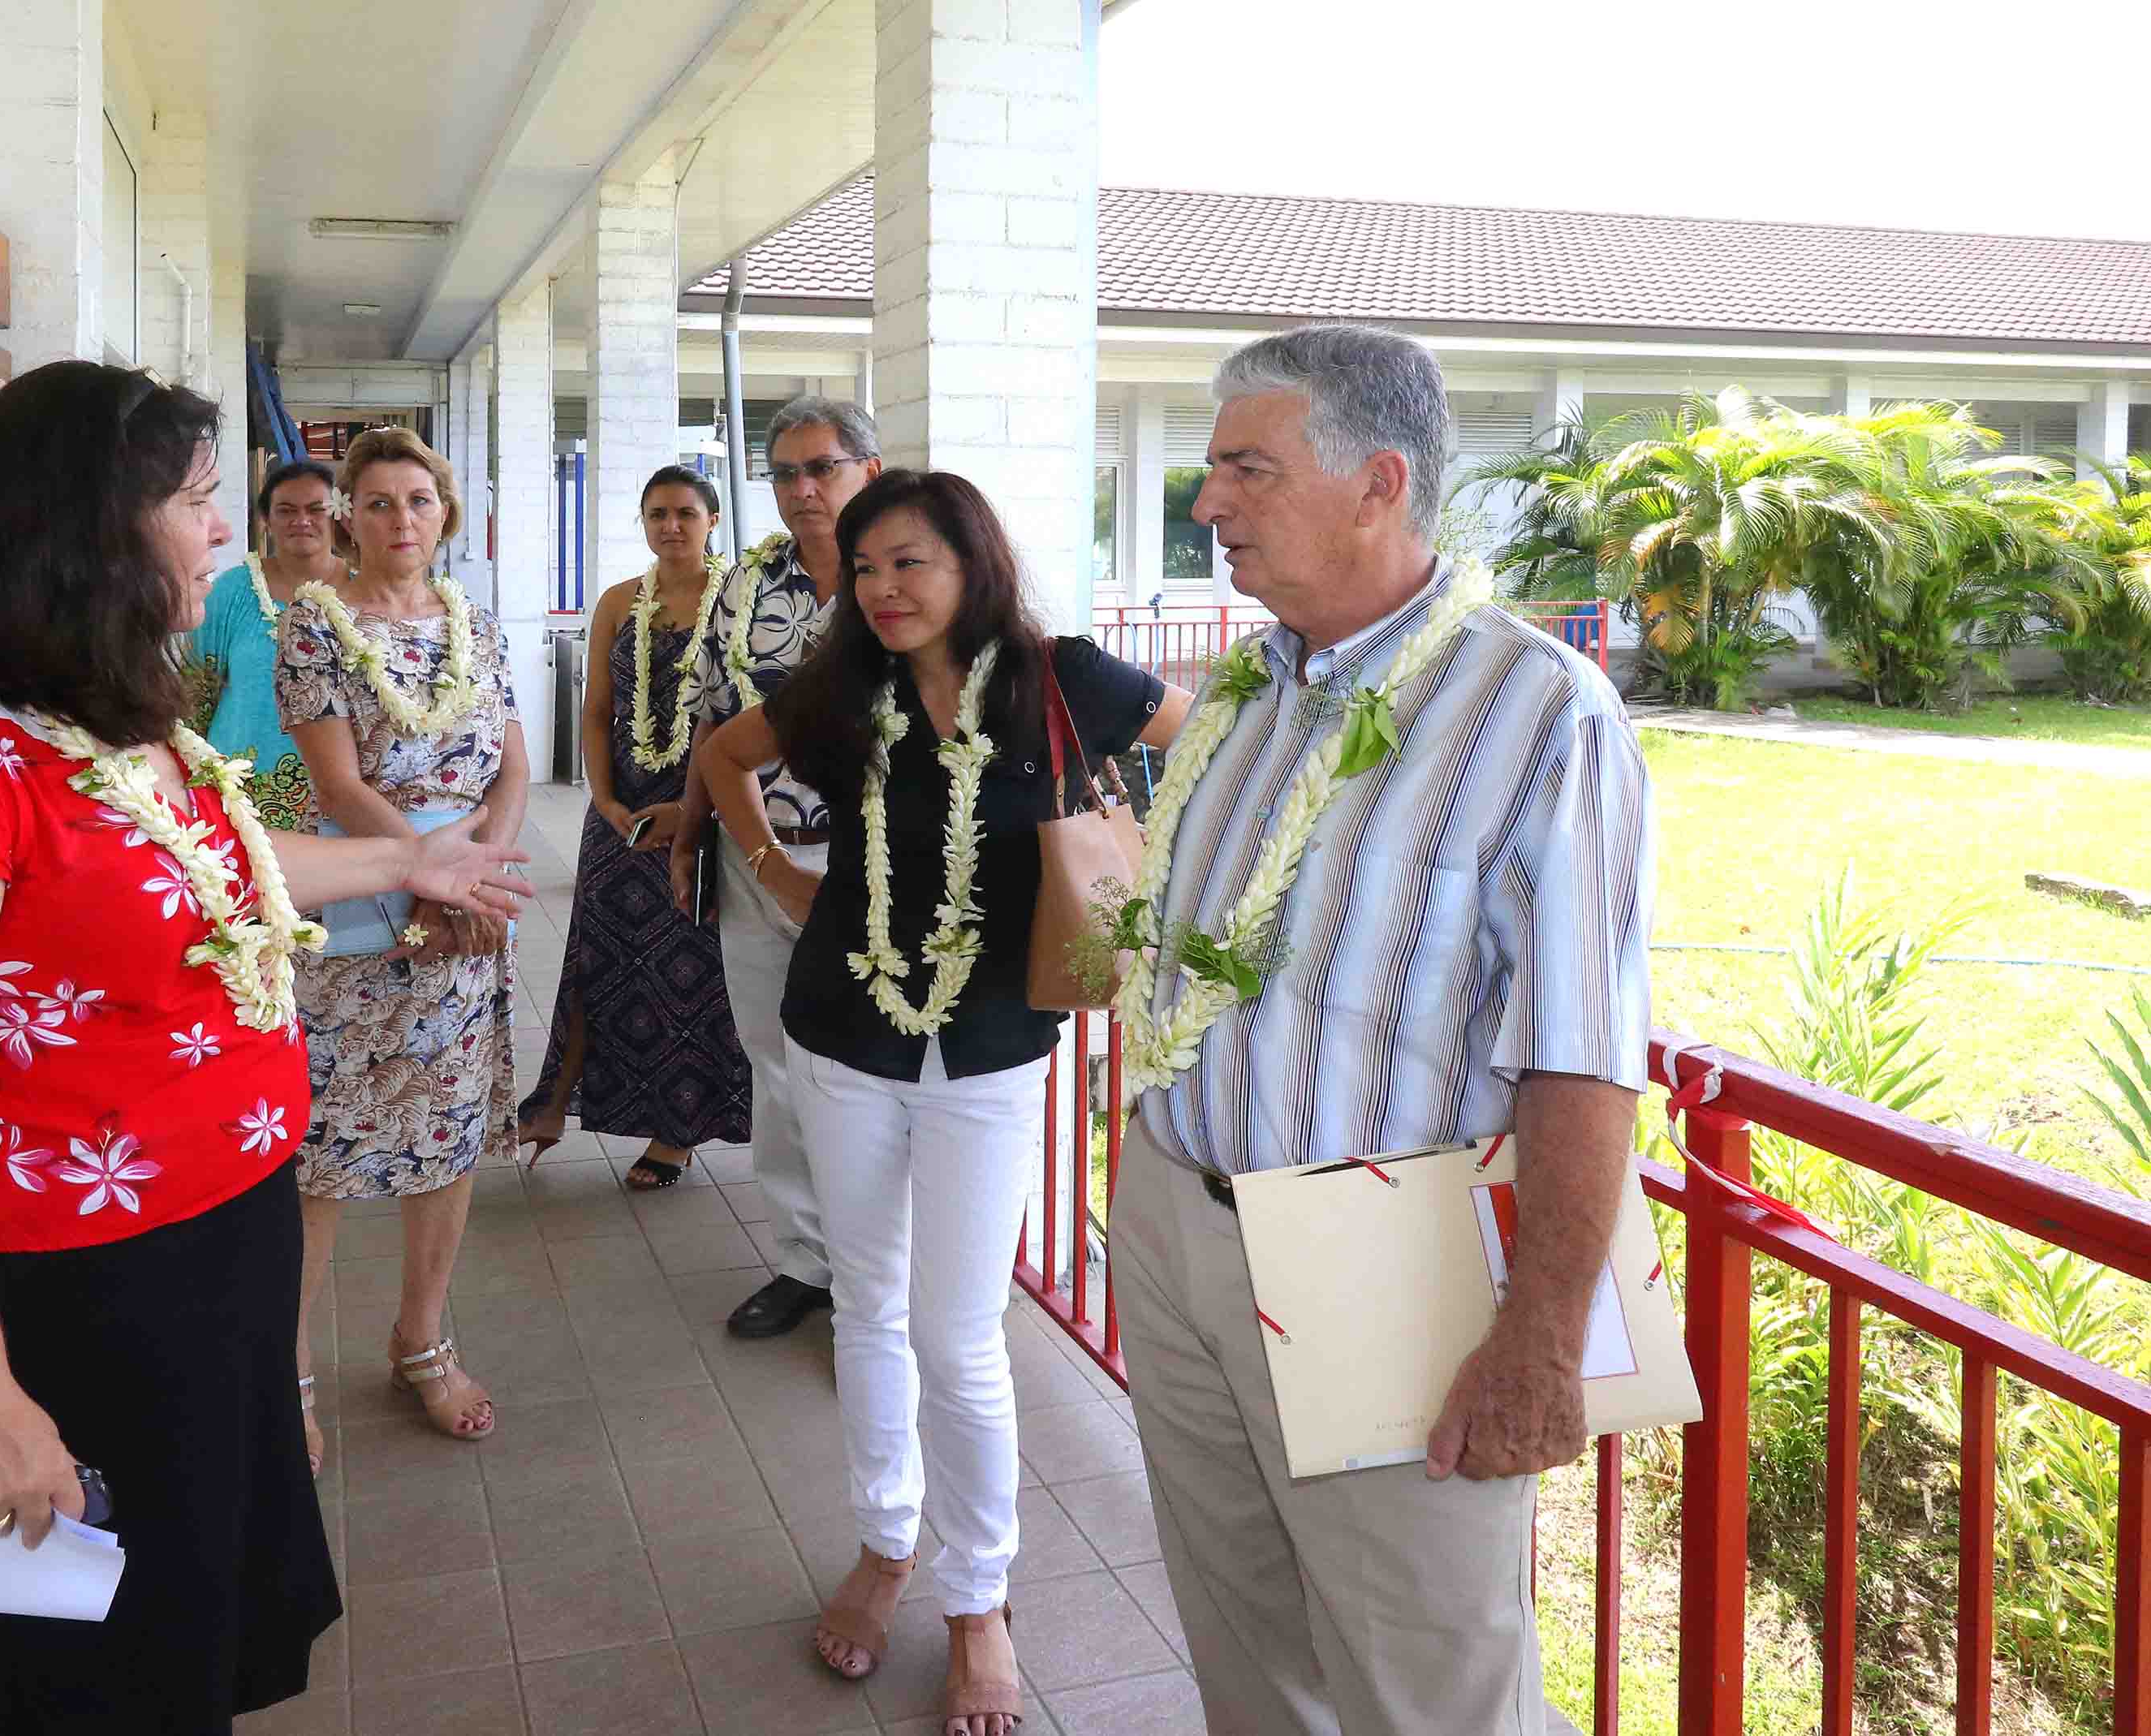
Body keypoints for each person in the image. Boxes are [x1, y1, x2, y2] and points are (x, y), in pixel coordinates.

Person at [0, 360, 531, 1735]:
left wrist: (407, 858)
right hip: (80, 1295)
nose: (224, 535)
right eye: (196, 502)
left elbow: (227, 860)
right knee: (101, 1670)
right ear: (91, 526)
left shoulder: (106, 721)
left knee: (186, 1628)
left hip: (214, 1246)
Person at [1110, 324, 1654, 1736]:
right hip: (1176, 1215)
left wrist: (1540, 1334)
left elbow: (1582, 1049)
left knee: (1427, 1677)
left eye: (1246, 467)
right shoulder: (1244, 693)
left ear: (1378, 483)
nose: (1208, 502)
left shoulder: (1537, 708)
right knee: (1241, 1637)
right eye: (1210, 467)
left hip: (1377, 1249)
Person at [697, 470, 1192, 1736]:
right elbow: (725, 754)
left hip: (993, 1040)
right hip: (847, 1029)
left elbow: (1205, 750)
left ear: (972, 560)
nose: (884, 589)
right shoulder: (843, 688)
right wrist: (777, 873)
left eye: (909, 562)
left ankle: (979, 1595)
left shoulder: (1062, 676)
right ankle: (885, 1539)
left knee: (959, 1331)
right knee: (869, 1304)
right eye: (865, 570)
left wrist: (1170, 892)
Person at [278, 425, 527, 1449]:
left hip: (463, 923)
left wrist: (474, 879)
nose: (400, 521)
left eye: (418, 500)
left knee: (447, 1141)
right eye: (377, 502)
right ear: (349, 516)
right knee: (320, 1157)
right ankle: (283, 1367)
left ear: (445, 510)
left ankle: (420, 1341)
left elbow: (512, 766)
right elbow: (337, 782)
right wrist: (426, 873)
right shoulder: (315, 626)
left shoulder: (476, 620)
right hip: (358, 913)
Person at [670, 394, 882, 1339]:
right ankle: (807, 1263)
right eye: (785, 472)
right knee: (779, 1062)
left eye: (822, 467)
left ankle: (883, 1279)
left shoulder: (914, 575)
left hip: (892, 866)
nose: (801, 489)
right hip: (758, 853)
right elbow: (712, 722)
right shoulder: (741, 587)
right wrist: (688, 838)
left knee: (879, 1068)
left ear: (867, 471)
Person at [519, 466, 752, 1189]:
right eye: (657, 514)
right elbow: (596, 709)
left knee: (690, 972)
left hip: (706, 805)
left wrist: (695, 808)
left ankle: (674, 1132)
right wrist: (607, 799)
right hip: (621, 808)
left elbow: (746, 715)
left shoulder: (741, 601)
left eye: (686, 512)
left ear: (712, 520)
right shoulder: (620, 602)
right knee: (600, 956)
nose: (671, 526)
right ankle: (554, 1102)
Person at [183, 459, 347, 830]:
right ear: (266, 521)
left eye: (316, 509)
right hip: (238, 793)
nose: (301, 520)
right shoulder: (232, 592)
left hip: (340, 792)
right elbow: (196, 696)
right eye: (286, 510)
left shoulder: (363, 590)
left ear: (338, 515)